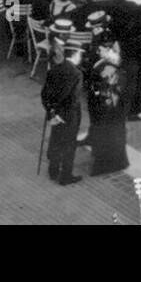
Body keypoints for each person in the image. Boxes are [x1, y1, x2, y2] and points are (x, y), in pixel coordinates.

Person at [41, 40, 85, 185]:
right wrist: (62, 116)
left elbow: (45, 95)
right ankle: (66, 176)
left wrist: (51, 114)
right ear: (74, 54)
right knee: (69, 145)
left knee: (56, 140)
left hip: (55, 114)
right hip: (69, 116)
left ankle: (53, 171)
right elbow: (73, 100)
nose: (81, 57)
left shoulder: (53, 70)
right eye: (79, 54)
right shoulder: (77, 73)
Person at [85, 50, 129, 176]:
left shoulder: (99, 66)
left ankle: (102, 163)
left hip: (100, 109)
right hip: (110, 111)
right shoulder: (115, 72)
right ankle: (111, 164)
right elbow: (116, 92)